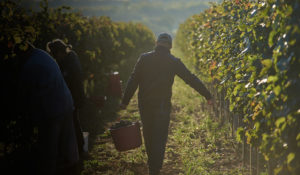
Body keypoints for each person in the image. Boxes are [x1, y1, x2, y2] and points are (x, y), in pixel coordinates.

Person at [120, 33, 213, 175]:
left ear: (157, 43)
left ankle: (152, 165)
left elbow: (133, 80)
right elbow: (190, 78)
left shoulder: (144, 59)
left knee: (149, 134)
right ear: (170, 46)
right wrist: (207, 94)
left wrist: (125, 101)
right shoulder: (173, 61)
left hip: (145, 104)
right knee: (160, 136)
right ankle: (155, 168)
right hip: (162, 105)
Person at [14, 42, 79, 174]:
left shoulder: (30, 65)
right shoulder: (43, 55)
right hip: (65, 102)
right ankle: (73, 168)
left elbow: (27, 93)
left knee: (50, 147)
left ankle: (51, 170)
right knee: (68, 141)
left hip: (53, 108)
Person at [46, 39, 85, 155]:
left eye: (55, 54)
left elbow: (72, 79)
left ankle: (78, 148)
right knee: (73, 122)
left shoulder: (70, 60)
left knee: (73, 122)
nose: (55, 58)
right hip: (72, 96)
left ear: (60, 52)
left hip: (74, 96)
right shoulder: (68, 59)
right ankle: (77, 148)